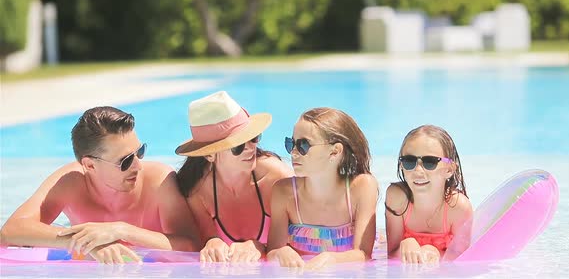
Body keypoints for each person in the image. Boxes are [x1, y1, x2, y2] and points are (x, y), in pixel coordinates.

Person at [0, 106, 199, 264]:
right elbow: (11, 231)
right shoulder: (71, 182)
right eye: (126, 160)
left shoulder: (159, 180)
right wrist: (88, 243)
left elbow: (191, 247)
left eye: (140, 152)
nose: (139, 166)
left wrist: (121, 230)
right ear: (90, 165)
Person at [175, 91, 292, 263]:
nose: (250, 148)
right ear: (210, 155)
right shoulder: (198, 192)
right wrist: (212, 242)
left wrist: (258, 245)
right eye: (238, 146)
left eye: (253, 138)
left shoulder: (275, 178)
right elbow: (205, 241)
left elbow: (302, 243)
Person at [266, 107, 378, 269]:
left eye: (303, 145)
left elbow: (363, 254)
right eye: (291, 144)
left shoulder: (361, 188)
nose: (294, 152)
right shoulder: (284, 192)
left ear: (335, 151)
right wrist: (280, 253)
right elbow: (272, 252)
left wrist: (330, 259)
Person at [385, 125, 473, 264]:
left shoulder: (457, 207)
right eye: (409, 161)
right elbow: (391, 253)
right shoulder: (397, 199)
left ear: (449, 170)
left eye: (430, 162)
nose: (418, 171)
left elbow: (462, 259)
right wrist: (405, 246)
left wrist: (435, 252)